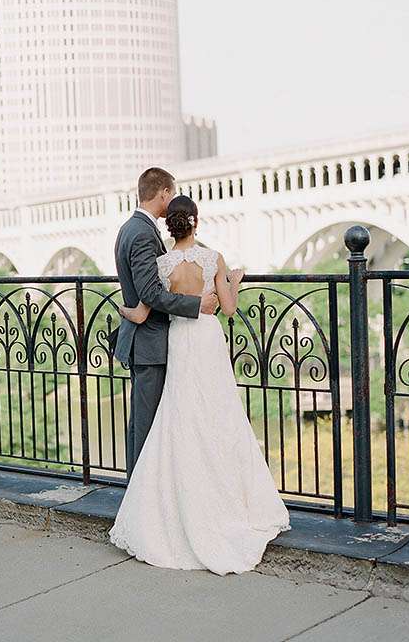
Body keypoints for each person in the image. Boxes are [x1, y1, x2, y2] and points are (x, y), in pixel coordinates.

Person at [108, 193, 291, 575]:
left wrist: (125, 311)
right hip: (207, 341)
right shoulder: (213, 258)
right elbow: (227, 308)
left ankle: (174, 506)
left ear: (170, 225)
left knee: (181, 418)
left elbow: (143, 310)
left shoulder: (162, 263)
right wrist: (234, 281)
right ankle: (230, 505)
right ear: (196, 221)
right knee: (220, 417)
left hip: (179, 341)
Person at [111, 168, 219, 480]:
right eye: (171, 195)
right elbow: (149, 291)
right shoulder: (143, 233)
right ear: (164, 194)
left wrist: (135, 310)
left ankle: (144, 495)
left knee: (144, 423)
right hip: (150, 344)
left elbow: (141, 290)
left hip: (145, 337)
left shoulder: (129, 228)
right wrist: (197, 305)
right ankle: (142, 500)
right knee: (148, 426)